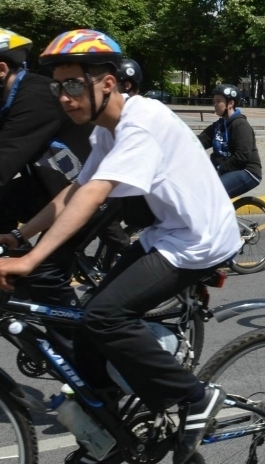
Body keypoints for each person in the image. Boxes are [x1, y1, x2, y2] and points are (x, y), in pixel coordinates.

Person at [0, 29, 240, 464]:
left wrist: (31, 259)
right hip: (166, 234)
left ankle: (195, 397)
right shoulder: (104, 130)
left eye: (74, 85)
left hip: (199, 240)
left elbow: (94, 196)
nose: (64, 97)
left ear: (107, 83)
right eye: (58, 86)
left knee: (105, 316)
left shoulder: (140, 124)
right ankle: (113, 429)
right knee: (88, 323)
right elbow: (76, 190)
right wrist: (20, 237)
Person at [0, 27, 92, 306]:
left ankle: (74, 346)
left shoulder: (36, 98)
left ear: (1, 68)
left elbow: (4, 160)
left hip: (88, 195)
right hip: (47, 189)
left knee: (44, 275)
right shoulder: (8, 97)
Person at [198, 84, 263, 198]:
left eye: (218, 101)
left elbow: (242, 157)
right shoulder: (219, 125)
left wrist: (220, 170)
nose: (215, 105)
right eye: (214, 101)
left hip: (247, 171)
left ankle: (223, 215)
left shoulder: (240, 125)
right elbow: (199, 141)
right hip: (227, 169)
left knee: (213, 195)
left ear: (231, 104)